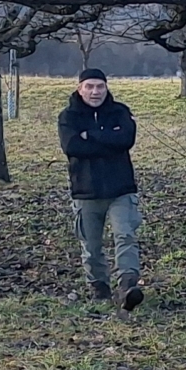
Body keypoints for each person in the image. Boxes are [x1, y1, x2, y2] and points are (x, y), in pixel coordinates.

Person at [58, 69, 143, 310]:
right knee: (91, 245)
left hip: (121, 188)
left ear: (107, 88)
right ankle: (99, 287)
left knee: (125, 235)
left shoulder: (120, 112)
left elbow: (126, 139)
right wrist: (108, 139)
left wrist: (91, 136)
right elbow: (72, 146)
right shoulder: (68, 117)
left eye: (100, 87)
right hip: (86, 190)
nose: (95, 92)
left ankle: (128, 285)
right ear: (79, 88)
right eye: (90, 86)